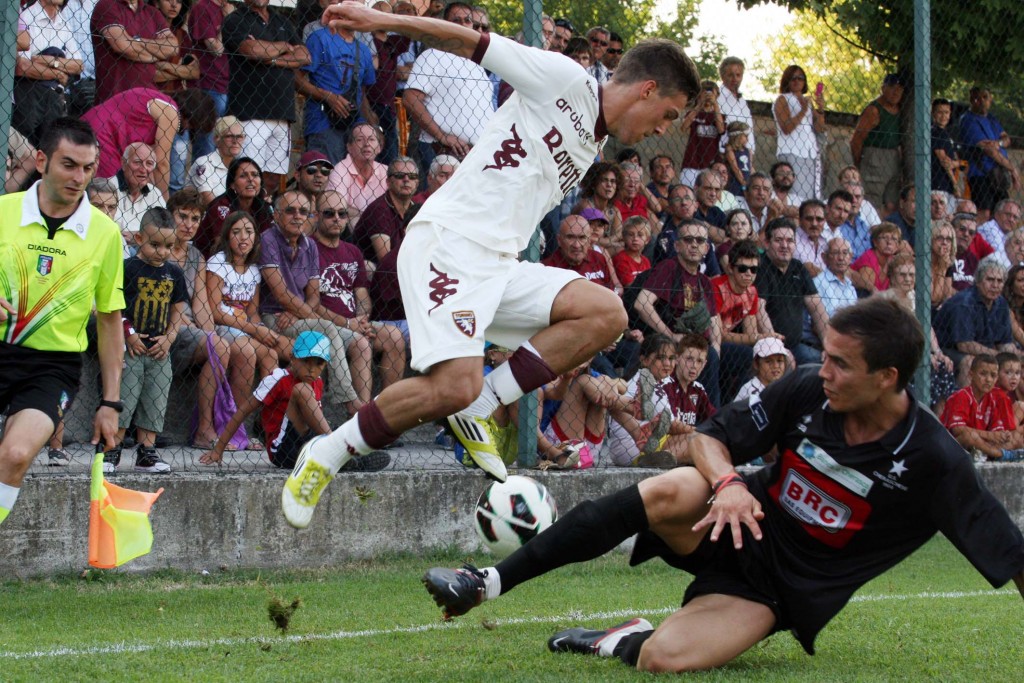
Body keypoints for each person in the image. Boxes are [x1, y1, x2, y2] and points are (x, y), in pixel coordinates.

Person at [422, 297, 1024, 674]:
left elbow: (1009, 551)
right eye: (829, 356)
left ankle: (619, 639)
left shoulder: (934, 459)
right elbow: (708, 440)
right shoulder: (809, 387)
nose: (825, 370)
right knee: (673, 487)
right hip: (733, 520)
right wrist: (731, 482)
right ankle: (485, 583)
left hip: (779, 592)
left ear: (888, 377)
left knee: (663, 658)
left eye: (843, 363)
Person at [280, 1, 701, 529]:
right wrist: (380, 21)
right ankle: (326, 454)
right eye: (668, 114)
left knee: (607, 313)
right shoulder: (565, 79)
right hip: (448, 246)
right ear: (647, 90)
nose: (663, 129)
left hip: (497, 266)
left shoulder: (593, 141)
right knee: (452, 385)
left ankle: (483, 405)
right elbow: (466, 42)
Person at [0, 118, 125, 525]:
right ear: (41, 160)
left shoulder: (105, 234)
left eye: (88, 168)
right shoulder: (3, 212)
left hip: (52, 367)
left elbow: (109, 321)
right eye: (69, 165)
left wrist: (110, 402)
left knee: (16, 455)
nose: (79, 178)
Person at [200, 330, 390, 471]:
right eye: (305, 361)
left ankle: (346, 459)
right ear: (292, 358)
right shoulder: (278, 378)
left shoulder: (318, 382)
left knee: (326, 420)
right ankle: (339, 448)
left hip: (306, 444)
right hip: (282, 450)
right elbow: (243, 411)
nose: (311, 369)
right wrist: (219, 449)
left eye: (318, 364)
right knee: (301, 390)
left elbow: (314, 420)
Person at [258, 190, 364, 414]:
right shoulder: (268, 239)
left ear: (309, 217)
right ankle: (349, 401)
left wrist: (300, 313)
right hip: (275, 318)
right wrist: (309, 314)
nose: (297, 216)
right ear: (277, 215)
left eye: (303, 211)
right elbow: (281, 294)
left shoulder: (310, 245)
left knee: (359, 343)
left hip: (299, 317)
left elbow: (314, 294)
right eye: (290, 211)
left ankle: (364, 413)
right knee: (326, 328)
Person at [105, 207, 184, 474]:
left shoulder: (174, 273)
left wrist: (170, 337)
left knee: (156, 397)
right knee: (126, 393)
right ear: (138, 239)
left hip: (160, 347)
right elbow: (117, 306)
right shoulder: (128, 268)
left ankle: (146, 452)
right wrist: (129, 334)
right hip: (131, 345)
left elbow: (178, 308)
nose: (162, 252)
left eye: (169, 246)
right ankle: (111, 449)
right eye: (155, 244)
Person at [314, 190, 408, 402]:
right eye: (329, 213)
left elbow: (362, 295)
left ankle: (388, 408)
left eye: (342, 214)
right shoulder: (309, 249)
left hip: (355, 323)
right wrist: (348, 323)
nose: (337, 219)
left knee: (394, 336)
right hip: (325, 324)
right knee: (360, 342)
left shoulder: (353, 251)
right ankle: (361, 413)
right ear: (316, 215)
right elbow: (310, 304)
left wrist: (362, 319)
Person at [165, 188, 237, 448]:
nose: (188, 224)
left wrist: (210, 335)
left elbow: (202, 304)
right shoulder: (157, 249)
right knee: (218, 345)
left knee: (227, 345)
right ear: (169, 215)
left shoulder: (196, 257)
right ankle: (204, 430)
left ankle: (224, 426)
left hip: (190, 330)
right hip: (165, 329)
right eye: (182, 216)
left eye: (195, 219)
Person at [222, 0, 310, 191]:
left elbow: (304, 55)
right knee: (247, 174)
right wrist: (285, 46)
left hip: (282, 112)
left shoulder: (282, 21)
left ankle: (263, 213)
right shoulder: (235, 19)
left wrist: (270, 58)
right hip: (250, 112)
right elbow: (252, 50)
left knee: (273, 179)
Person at [633, 221, 722, 407]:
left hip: (698, 348)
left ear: (706, 248)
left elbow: (715, 322)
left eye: (700, 240)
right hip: (671, 344)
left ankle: (709, 417)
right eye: (688, 239)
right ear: (677, 245)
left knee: (725, 356)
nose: (694, 245)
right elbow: (642, 304)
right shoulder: (668, 268)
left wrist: (715, 349)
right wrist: (671, 335)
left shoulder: (705, 282)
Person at [402, 1, 495, 173]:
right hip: (440, 152)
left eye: (467, 21)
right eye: (456, 20)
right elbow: (410, 99)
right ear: (445, 25)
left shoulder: (477, 64)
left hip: (475, 156)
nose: (463, 25)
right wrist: (442, 135)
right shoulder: (432, 55)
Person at [82, 87, 217, 197]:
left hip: (94, 125)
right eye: (193, 126)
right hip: (103, 134)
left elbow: (151, 162)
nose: (188, 129)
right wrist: (164, 202)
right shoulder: (171, 114)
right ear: (192, 117)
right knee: (108, 194)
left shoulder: (162, 100)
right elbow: (161, 164)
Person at [205, 211, 288, 381]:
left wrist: (260, 328)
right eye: (236, 232)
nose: (243, 237)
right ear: (227, 236)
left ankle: (273, 407)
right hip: (223, 327)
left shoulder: (254, 269)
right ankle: (237, 408)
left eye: (249, 232)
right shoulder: (218, 262)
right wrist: (255, 329)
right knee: (249, 353)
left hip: (245, 326)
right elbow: (214, 313)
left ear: (255, 237)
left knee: (283, 351)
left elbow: (252, 311)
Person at [876, 253, 956, 411]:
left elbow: (927, 327)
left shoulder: (917, 297)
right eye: (902, 275)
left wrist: (938, 352)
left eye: (911, 275)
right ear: (892, 277)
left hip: (920, 351)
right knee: (927, 367)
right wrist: (925, 354)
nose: (907, 279)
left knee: (945, 366)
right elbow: (895, 336)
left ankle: (937, 421)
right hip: (896, 352)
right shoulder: (884, 300)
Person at [298, 8, 377, 163]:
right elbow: (297, 79)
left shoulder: (364, 50)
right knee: (327, 176)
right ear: (340, 14)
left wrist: (372, 124)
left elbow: (362, 92)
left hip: (355, 124)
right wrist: (328, 97)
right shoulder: (320, 39)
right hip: (323, 123)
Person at [711, 239, 781, 402]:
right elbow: (720, 335)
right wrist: (761, 337)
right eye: (742, 268)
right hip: (708, 340)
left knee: (762, 353)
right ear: (730, 268)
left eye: (753, 269)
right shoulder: (716, 286)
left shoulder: (751, 292)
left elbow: (750, 334)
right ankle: (737, 404)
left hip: (728, 342)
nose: (748, 274)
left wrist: (764, 339)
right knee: (748, 355)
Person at [755, 217, 828, 365]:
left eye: (789, 240)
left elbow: (817, 309)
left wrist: (829, 347)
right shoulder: (760, 267)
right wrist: (777, 349)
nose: (784, 245)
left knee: (823, 364)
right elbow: (759, 310)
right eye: (779, 240)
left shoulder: (798, 268)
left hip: (796, 345)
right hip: (767, 346)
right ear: (767, 243)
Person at [934, 258, 1015, 377]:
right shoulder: (965, 302)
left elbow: (1005, 342)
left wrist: (1014, 357)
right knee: (971, 362)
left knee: (1016, 364)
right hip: (947, 350)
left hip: (984, 350)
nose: (995, 285)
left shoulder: (1001, 302)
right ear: (977, 281)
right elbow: (965, 345)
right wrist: (998, 356)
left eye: (1000, 281)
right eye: (990, 280)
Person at [90, 0, 178, 104]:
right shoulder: (107, 5)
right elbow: (122, 47)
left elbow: (173, 47)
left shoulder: (152, 12)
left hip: (148, 97)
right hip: (115, 98)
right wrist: (156, 54)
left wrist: (136, 40)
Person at [940, 355, 1018, 461]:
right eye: (983, 374)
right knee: (969, 436)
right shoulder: (961, 396)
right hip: (952, 445)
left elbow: (997, 430)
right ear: (971, 374)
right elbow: (958, 430)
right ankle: (998, 454)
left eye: (993, 375)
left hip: (981, 443)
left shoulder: (993, 399)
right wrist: (990, 435)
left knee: (1014, 439)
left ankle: (986, 454)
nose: (988, 380)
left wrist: (1003, 435)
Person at [959, 86, 1020, 223]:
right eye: (976, 97)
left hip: (997, 174)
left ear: (990, 99)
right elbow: (989, 150)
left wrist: (998, 143)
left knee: (1003, 213)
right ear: (971, 99)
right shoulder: (968, 120)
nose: (981, 101)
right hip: (980, 174)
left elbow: (1006, 139)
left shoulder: (992, 119)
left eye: (985, 97)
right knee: (984, 213)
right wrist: (1012, 168)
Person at [195, 157, 275, 256]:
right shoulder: (221, 206)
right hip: (216, 260)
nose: (250, 179)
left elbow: (269, 242)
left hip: (251, 258)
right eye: (243, 176)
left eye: (255, 175)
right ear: (232, 184)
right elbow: (223, 245)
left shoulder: (264, 207)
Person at [850, 74, 905, 214]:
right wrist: (859, 163)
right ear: (883, 88)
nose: (896, 92)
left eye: (900, 88)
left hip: (894, 159)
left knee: (891, 203)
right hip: (874, 157)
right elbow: (857, 139)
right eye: (892, 87)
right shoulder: (874, 110)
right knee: (871, 202)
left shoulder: (901, 110)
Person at [188, 0, 233, 160]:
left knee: (228, 144)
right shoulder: (203, 8)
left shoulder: (231, 8)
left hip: (232, 86)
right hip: (210, 84)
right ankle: (201, 182)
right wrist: (228, 20)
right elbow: (216, 50)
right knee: (208, 144)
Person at [352, 156, 419, 264]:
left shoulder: (417, 210)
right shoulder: (379, 210)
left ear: (417, 183)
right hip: (377, 273)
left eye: (412, 176)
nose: (406, 180)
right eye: (399, 176)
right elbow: (386, 260)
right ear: (388, 182)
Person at [773, 64, 824, 200]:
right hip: (792, 151)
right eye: (793, 78)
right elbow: (786, 128)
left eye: (800, 78)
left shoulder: (807, 101)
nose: (796, 81)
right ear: (787, 81)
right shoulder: (782, 99)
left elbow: (819, 128)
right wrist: (803, 110)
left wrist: (820, 110)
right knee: (794, 194)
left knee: (809, 195)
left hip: (810, 152)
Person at [325, 123, 389, 225]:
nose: (366, 144)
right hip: (347, 229)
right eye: (360, 139)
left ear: (379, 148)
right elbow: (338, 207)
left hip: (381, 225)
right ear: (349, 147)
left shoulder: (386, 172)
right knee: (353, 219)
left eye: (371, 139)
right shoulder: (339, 170)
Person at [112, 142, 166, 253]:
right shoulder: (109, 188)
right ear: (123, 163)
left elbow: (165, 230)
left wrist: (138, 236)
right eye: (137, 162)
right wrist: (147, 236)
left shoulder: (155, 193)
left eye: (149, 164)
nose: (143, 169)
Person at [186, 115, 245, 207]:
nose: (235, 141)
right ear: (216, 139)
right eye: (229, 136)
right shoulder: (204, 164)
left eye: (239, 136)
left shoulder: (243, 167)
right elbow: (211, 203)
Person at [678, 81, 724, 189]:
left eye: (711, 93)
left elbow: (721, 129)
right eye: (704, 92)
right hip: (692, 161)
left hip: (711, 163)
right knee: (687, 191)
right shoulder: (693, 113)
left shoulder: (719, 116)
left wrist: (715, 104)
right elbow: (684, 127)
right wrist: (700, 105)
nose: (708, 96)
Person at [716, 56, 754, 157]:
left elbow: (749, 129)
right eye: (730, 75)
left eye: (738, 75)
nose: (735, 79)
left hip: (744, 153)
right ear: (722, 76)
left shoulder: (742, 101)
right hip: (724, 153)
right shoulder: (718, 98)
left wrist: (750, 151)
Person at [850, 222, 902, 294]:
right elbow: (866, 293)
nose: (889, 242)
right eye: (884, 238)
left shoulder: (893, 261)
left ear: (897, 246)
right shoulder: (869, 258)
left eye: (894, 239)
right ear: (875, 242)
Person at [734, 336, 789, 402]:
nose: (776, 366)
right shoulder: (751, 390)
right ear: (756, 365)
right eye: (768, 361)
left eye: (779, 361)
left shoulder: (784, 387)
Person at [977, 199, 1022, 268]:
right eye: (1008, 214)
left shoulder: (1009, 234)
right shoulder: (989, 228)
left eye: (1015, 217)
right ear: (997, 215)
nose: (1011, 220)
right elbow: (1001, 259)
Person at [613, 217, 652, 288]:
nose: (635, 238)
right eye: (631, 234)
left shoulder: (645, 261)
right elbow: (629, 286)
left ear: (647, 240)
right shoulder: (620, 259)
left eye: (640, 235)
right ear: (624, 237)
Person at [930, 97, 959, 196]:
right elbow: (944, 161)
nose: (943, 116)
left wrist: (956, 163)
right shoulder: (935, 132)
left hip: (946, 185)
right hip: (938, 183)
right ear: (933, 113)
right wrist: (955, 185)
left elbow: (954, 159)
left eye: (946, 112)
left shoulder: (946, 133)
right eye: (940, 112)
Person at [714, 207, 754, 272]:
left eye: (743, 224)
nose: (739, 227)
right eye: (735, 224)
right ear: (728, 229)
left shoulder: (752, 248)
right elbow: (731, 273)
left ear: (750, 229)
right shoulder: (724, 248)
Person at [722, 121, 752, 197]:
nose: (747, 139)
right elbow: (735, 168)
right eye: (745, 136)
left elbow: (750, 167)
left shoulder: (748, 151)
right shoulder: (730, 149)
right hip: (736, 182)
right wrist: (744, 184)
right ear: (737, 137)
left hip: (747, 181)